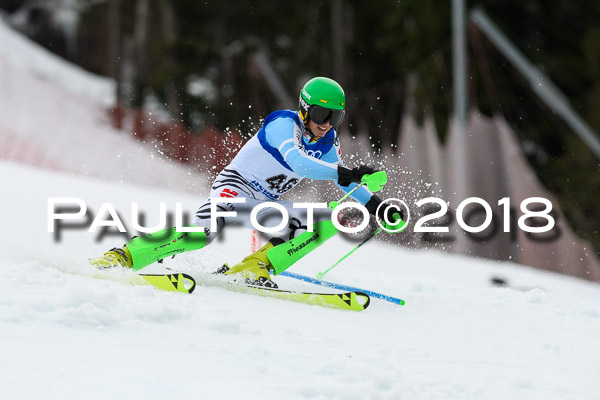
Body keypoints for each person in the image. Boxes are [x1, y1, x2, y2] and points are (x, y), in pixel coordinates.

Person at [90, 77, 399, 287]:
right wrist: (343, 172)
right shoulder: (283, 123)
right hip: (234, 189)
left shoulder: (328, 143)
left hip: (266, 203)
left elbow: (346, 184)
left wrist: (377, 206)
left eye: (336, 118)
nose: (327, 124)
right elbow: (297, 161)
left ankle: (255, 266)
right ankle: (125, 255)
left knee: (330, 218)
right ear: (305, 109)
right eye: (322, 114)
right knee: (202, 233)